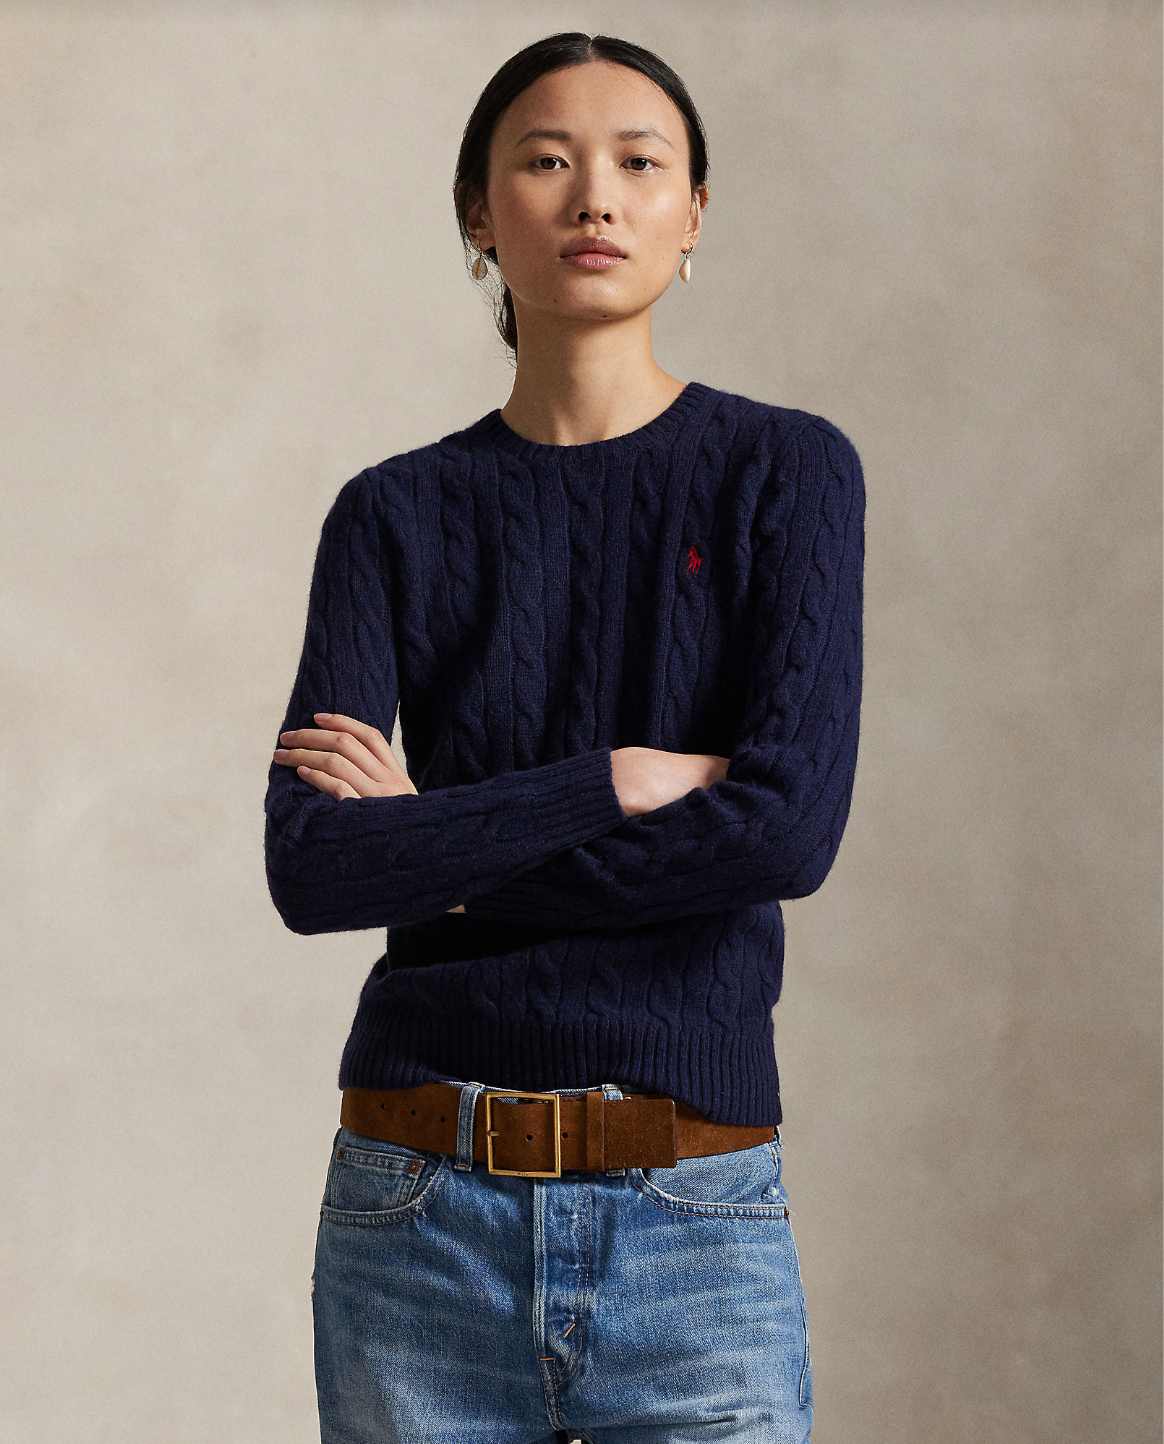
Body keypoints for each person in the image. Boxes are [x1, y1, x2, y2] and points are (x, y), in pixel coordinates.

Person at [265, 30, 864, 1444]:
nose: (596, 195)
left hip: (694, 1210)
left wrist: (443, 854)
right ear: (479, 215)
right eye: (546, 160)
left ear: (693, 214)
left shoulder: (786, 473)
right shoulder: (392, 515)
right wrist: (614, 780)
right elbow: (316, 868)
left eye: (639, 163)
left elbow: (784, 833)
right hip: (416, 1205)